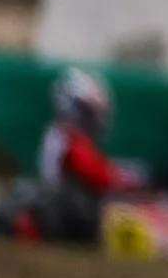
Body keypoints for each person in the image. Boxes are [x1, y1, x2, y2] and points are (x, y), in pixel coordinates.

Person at [34, 66, 147, 244]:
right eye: (90, 112)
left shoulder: (63, 135)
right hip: (67, 210)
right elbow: (96, 174)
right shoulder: (69, 139)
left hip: (65, 203)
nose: (95, 118)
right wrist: (128, 179)